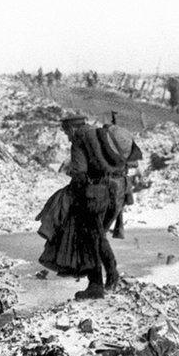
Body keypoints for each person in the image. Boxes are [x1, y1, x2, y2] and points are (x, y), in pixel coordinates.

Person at [39, 115, 121, 300]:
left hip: (90, 195)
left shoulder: (79, 139)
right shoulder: (96, 136)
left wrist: (72, 191)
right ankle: (112, 274)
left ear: (73, 128)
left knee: (88, 240)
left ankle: (95, 285)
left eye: (67, 132)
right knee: (98, 235)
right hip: (107, 192)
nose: (67, 136)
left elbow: (79, 173)